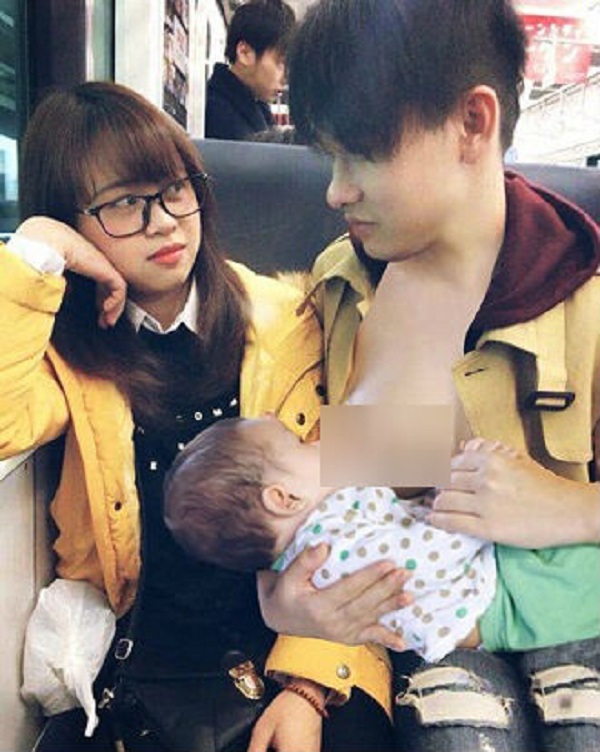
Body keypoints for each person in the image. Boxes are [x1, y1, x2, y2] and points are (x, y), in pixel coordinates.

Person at [0, 80, 409, 752]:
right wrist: (37, 250)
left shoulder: (293, 320)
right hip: (142, 655)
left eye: (176, 188)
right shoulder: (72, 354)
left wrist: (308, 684)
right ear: (73, 221)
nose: (164, 221)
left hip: (306, 630)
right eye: (124, 203)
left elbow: (384, 485)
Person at [256, 1, 600, 751]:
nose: (335, 191)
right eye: (329, 157)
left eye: (361, 154)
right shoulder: (340, 289)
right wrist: (301, 639)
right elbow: (340, 502)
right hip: (430, 634)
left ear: (472, 123)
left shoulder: (584, 296)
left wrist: (574, 508)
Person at [164, 415, 497, 663]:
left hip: (478, 568)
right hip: (487, 596)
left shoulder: (320, 528)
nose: (317, 441)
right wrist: (469, 496)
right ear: (284, 499)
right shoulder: (327, 551)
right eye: (299, 442)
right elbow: (426, 559)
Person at [204, 0, 294, 141]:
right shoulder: (217, 112)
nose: (285, 78)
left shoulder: (254, 106)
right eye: (280, 63)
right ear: (244, 53)